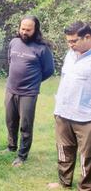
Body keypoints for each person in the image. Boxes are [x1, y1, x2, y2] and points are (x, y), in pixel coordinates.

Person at [3, 15, 54, 167]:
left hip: (28, 93)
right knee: (10, 121)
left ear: (35, 29)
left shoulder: (42, 48)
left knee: (25, 125)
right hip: (11, 89)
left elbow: (49, 70)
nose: (24, 32)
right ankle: (11, 147)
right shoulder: (14, 42)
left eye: (28, 30)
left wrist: (33, 82)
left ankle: (22, 156)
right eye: (22, 28)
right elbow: (10, 61)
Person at [48, 21, 91, 190]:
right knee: (63, 149)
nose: (70, 45)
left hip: (86, 116)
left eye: (74, 41)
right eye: (68, 41)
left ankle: (86, 187)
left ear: (87, 37)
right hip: (63, 112)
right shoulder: (70, 54)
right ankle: (64, 182)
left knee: (87, 156)